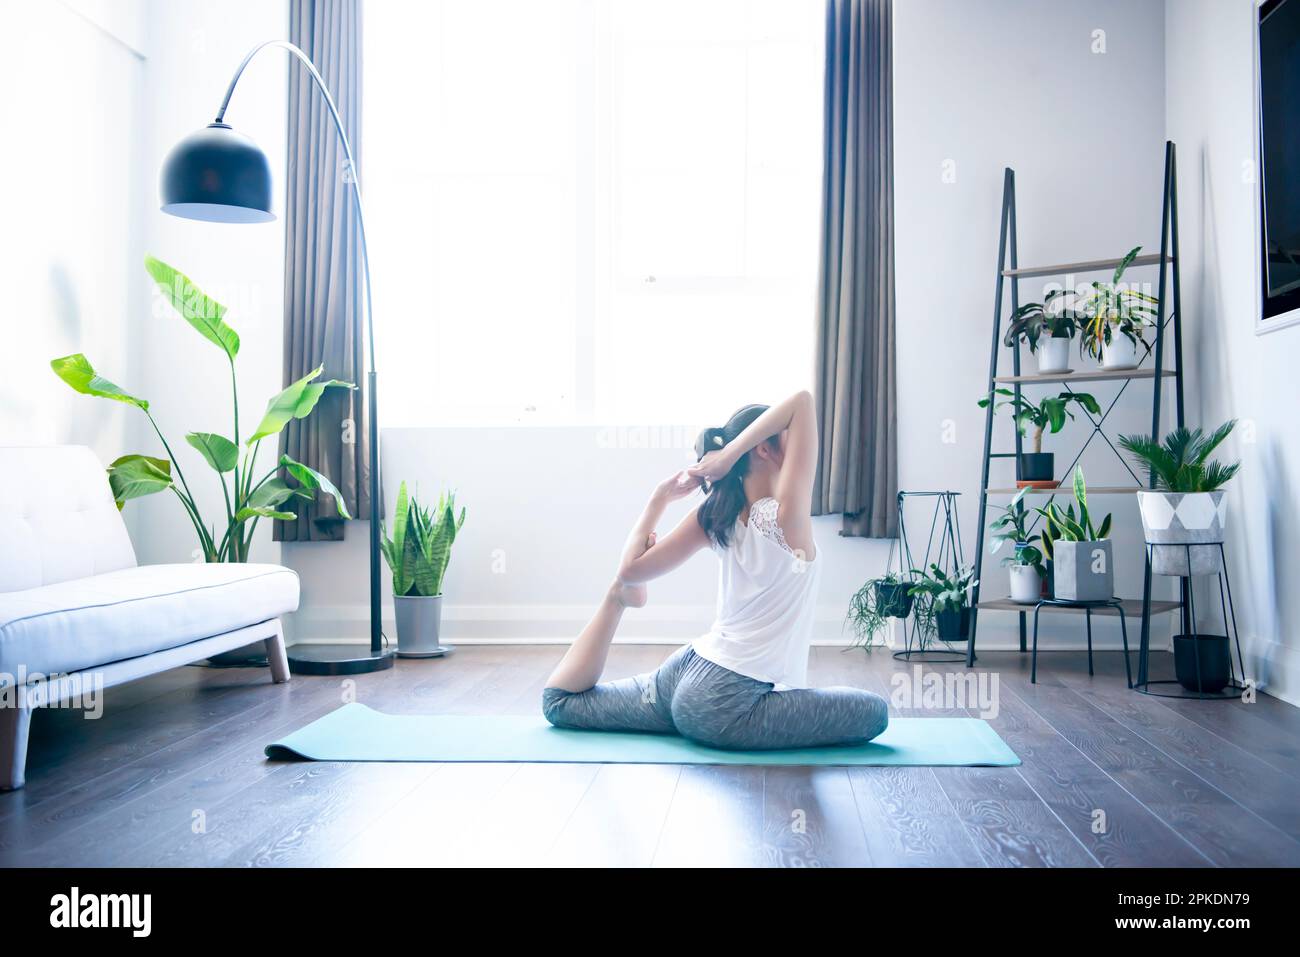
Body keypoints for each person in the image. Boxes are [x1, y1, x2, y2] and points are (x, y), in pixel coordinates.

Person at [541, 390, 889, 750]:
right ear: (763, 449)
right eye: (783, 436)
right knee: (874, 712)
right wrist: (729, 455)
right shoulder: (786, 519)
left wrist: (658, 500)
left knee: (561, 704)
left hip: (684, 672)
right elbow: (802, 401)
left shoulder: (715, 517)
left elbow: (630, 571)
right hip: (729, 703)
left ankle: (615, 602)